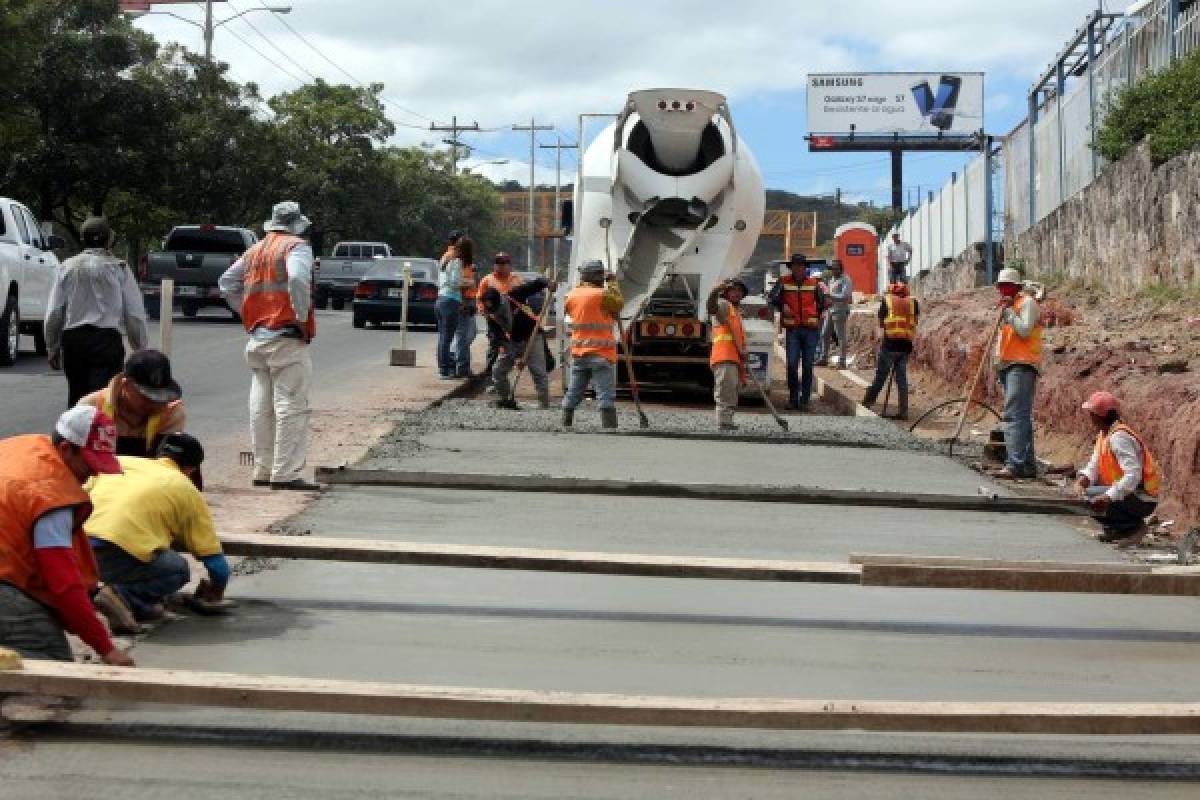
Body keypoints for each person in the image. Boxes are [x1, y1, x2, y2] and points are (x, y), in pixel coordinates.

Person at [0, 406, 134, 665]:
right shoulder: (50, 495)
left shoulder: (24, 446)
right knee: (53, 661)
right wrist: (106, 648)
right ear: (65, 449)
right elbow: (64, 586)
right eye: (90, 464)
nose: (93, 474)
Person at [219, 201, 319, 491]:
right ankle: (285, 473)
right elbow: (299, 278)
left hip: (259, 336)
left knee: (261, 406)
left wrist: (248, 313)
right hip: (286, 335)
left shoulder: (256, 250)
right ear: (296, 224)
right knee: (290, 404)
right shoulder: (295, 247)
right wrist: (300, 317)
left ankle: (263, 469)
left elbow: (226, 283)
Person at [85, 433, 231, 623]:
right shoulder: (186, 489)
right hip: (112, 554)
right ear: (190, 469)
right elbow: (217, 565)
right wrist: (215, 592)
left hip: (78, 548)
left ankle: (121, 601)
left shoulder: (119, 462)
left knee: (144, 557)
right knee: (177, 569)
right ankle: (121, 595)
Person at [44, 216, 149, 407]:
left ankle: (75, 435)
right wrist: (140, 347)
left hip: (74, 341)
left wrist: (52, 346)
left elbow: (54, 311)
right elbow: (134, 313)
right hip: (107, 342)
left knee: (77, 399)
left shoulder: (67, 266)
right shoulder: (119, 268)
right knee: (104, 401)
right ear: (108, 239)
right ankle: (99, 435)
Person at [1075, 391, 1161, 546]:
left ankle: (1131, 528)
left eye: (1091, 413)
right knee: (1083, 496)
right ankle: (1118, 529)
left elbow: (1132, 475)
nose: (1090, 417)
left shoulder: (1119, 437)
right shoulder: (1105, 435)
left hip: (1142, 498)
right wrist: (1082, 481)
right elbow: (1093, 467)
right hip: (1129, 494)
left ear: (1098, 416)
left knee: (1090, 499)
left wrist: (1108, 497)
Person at [78, 349, 185, 458]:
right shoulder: (90, 407)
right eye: (147, 398)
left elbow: (168, 465)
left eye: (161, 399)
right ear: (126, 385)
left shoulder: (172, 411)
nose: (154, 404)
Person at [992, 267, 1042, 480]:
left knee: (1014, 415)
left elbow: (1024, 330)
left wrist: (1010, 314)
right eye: (1001, 287)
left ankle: (1014, 464)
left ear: (1016, 288)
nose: (1003, 291)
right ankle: (1027, 465)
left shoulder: (1027, 304)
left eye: (1006, 287)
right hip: (1008, 365)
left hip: (1022, 365)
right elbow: (1004, 340)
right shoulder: (1009, 308)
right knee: (1021, 416)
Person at [561, 260, 623, 429]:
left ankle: (565, 422)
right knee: (605, 394)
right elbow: (618, 303)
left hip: (580, 353)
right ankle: (609, 427)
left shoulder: (571, 295)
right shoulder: (602, 295)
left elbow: (573, 312)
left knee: (574, 392)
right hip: (601, 354)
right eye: (602, 275)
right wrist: (613, 282)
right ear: (598, 276)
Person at [481, 275, 554, 410]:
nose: (495, 312)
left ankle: (544, 405)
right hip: (512, 342)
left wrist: (548, 283)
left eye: (495, 308)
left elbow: (536, 284)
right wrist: (514, 357)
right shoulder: (491, 316)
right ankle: (506, 399)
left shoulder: (514, 295)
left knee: (538, 372)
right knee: (498, 371)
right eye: (490, 309)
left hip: (532, 337)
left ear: (499, 302)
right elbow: (498, 338)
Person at [769, 254, 826, 411]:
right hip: (793, 330)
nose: (798, 268)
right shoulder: (784, 282)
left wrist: (815, 317)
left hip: (810, 331)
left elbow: (822, 303)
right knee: (792, 365)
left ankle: (805, 401)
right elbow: (772, 297)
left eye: (801, 265)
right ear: (791, 267)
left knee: (808, 366)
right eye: (795, 265)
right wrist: (782, 305)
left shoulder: (814, 283)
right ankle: (793, 399)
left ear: (805, 267)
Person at [862, 282, 918, 420]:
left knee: (880, 377)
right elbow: (914, 321)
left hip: (889, 345)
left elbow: (881, 323)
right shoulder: (913, 302)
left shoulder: (887, 300)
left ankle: (867, 403)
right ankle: (903, 412)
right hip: (905, 347)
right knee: (901, 380)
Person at [477, 252, 524, 390]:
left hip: (514, 320)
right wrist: (486, 313)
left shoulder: (517, 280)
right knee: (494, 347)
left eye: (504, 263)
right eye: (498, 263)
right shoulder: (487, 280)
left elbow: (524, 299)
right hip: (494, 321)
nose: (501, 266)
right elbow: (480, 299)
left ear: (510, 265)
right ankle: (491, 380)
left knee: (513, 349)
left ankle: (502, 379)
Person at [709, 279, 749, 431]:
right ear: (726, 292)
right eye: (734, 290)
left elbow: (738, 337)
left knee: (731, 390)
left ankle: (727, 421)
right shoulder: (723, 306)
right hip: (724, 356)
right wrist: (714, 292)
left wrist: (743, 352)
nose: (737, 293)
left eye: (739, 290)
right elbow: (712, 307)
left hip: (733, 358)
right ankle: (723, 422)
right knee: (725, 390)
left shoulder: (735, 312)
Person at [435, 235, 467, 379]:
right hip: (450, 300)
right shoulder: (456, 259)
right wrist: (468, 283)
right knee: (447, 337)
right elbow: (455, 282)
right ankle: (445, 370)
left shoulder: (445, 256)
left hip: (441, 298)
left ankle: (443, 368)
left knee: (443, 337)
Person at [450, 237, 478, 378]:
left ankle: (459, 363)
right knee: (463, 336)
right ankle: (460, 366)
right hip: (463, 301)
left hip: (469, 301)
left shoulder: (467, 264)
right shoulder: (457, 263)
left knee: (470, 333)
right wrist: (464, 303)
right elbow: (457, 284)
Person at [817, 259, 853, 368]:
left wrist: (830, 296)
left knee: (840, 337)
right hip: (831, 310)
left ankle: (842, 361)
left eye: (835, 268)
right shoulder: (832, 279)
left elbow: (845, 296)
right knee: (824, 334)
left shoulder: (845, 280)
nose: (833, 271)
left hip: (840, 311)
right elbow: (830, 293)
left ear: (840, 269)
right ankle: (823, 358)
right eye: (832, 269)